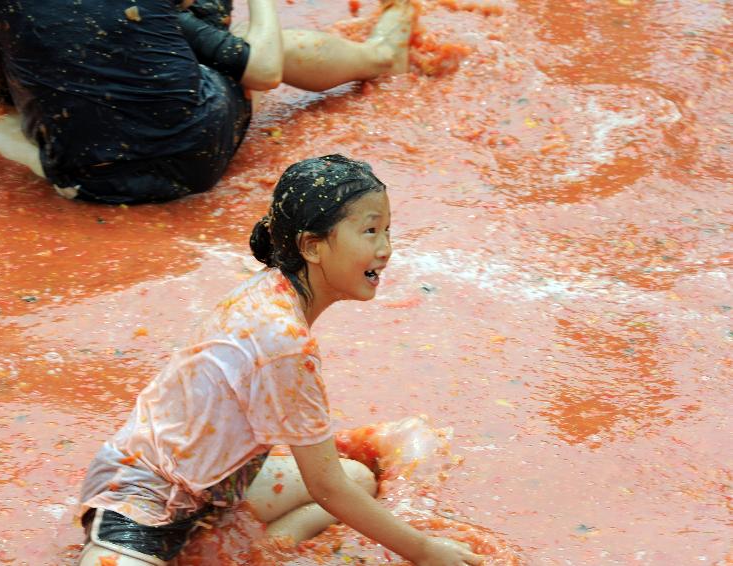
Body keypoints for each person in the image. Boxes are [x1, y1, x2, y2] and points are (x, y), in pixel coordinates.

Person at [77, 155, 484, 565]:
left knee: (358, 479)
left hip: (212, 491)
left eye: (387, 231)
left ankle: (262, 550)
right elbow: (325, 486)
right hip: (142, 501)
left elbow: (333, 482)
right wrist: (426, 551)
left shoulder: (271, 288)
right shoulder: (285, 340)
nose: (386, 249)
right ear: (312, 246)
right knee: (341, 485)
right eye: (370, 231)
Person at [0, 0, 413, 204]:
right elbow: (262, 70)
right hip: (196, 150)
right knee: (255, 44)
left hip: (85, 169)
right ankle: (379, 56)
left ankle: (64, 171)